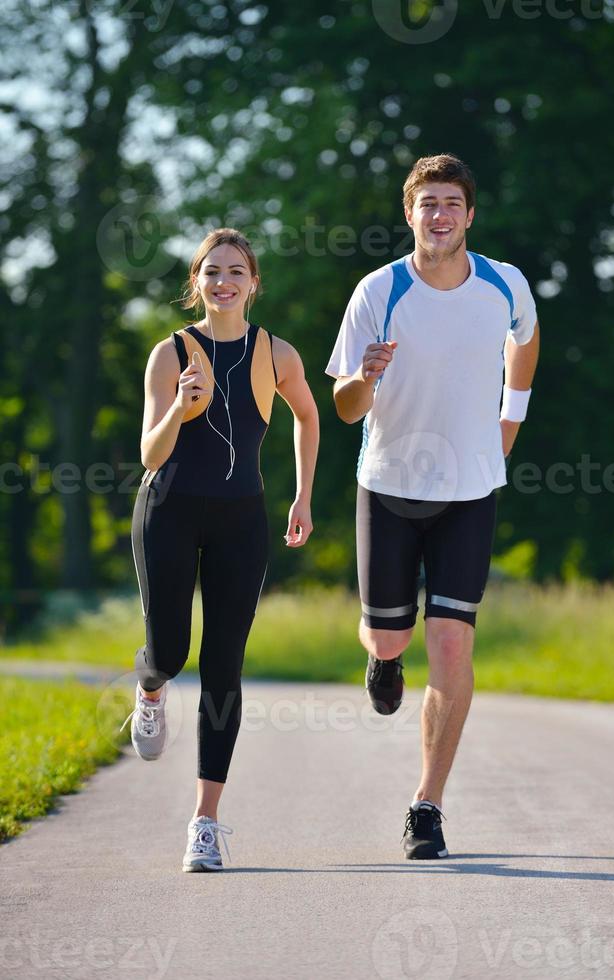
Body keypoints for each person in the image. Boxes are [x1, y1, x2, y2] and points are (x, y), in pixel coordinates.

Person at [325, 154, 539, 859]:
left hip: (471, 490)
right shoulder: (378, 291)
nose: (439, 215)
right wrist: (363, 376)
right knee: (389, 637)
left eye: (451, 203)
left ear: (469, 214)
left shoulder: (504, 284)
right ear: (409, 213)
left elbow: (526, 341)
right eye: (427, 204)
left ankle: (427, 805)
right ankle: (385, 661)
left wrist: (510, 421)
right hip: (387, 486)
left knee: (451, 641)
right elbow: (347, 408)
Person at [122, 227, 319, 871]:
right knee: (173, 653)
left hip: (242, 520)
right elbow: (150, 456)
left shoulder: (276, 353)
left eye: (236, 271)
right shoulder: (169, 352)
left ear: (253, 282)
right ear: (196, 283)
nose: (224, 281)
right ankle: (149, 686)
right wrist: (180, 408)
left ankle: (204, 822)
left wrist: (301, 496)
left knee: (224, 665)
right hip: (169, 510)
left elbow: (308, 416)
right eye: (212, 272)